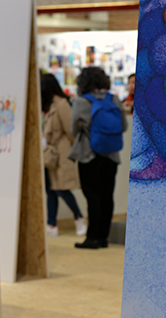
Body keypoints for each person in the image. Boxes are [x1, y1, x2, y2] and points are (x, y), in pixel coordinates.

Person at [69, 66, 127, 249]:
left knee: (92, 196)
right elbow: (124, 126)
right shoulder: (113, 99)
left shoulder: (81, 102)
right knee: (107, 196)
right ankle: (103, 238)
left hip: (89, 155)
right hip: (112, 155)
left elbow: (73, 130)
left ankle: (92, 238)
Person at [41, 73, 86, 237]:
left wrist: (73, 152)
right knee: (50, 190)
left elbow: (70, 130)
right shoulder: (46, 105)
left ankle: (79, 217)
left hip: (61, 153)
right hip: (48, 154)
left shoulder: (61, 104)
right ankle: (51, 224)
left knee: (62, 189)